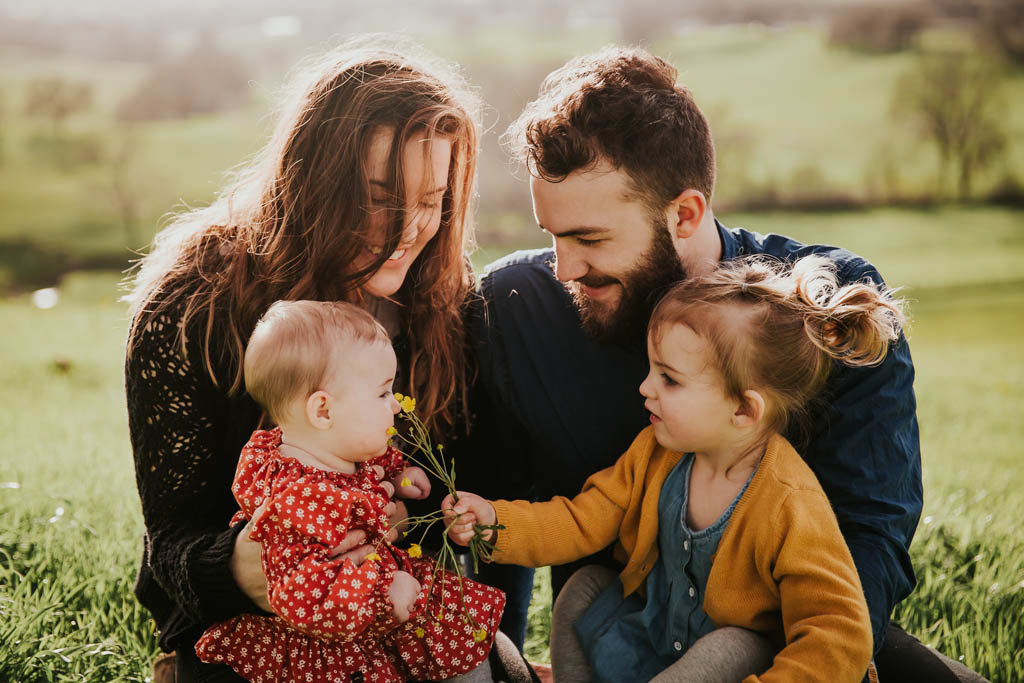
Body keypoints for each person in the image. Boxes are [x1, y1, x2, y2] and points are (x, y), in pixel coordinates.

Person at [460, 47, 985, 681]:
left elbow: (869, 535)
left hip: (788, 645)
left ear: (685, 214)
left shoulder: (818, 306)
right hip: (620, 638)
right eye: (551, 235)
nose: (563, 267)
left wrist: (815, 665)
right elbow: (500, 510)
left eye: (589, 239)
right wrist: (493, 661)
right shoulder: (516, 308)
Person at [124, 39, 534, 683]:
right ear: (312, 182)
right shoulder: (192, 307)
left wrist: (414, 520)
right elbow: (170, 541)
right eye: (377, 196)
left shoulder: (445, 309)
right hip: (252, 632)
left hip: (394, 607)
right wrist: (235, 567)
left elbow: (468, 504)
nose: (407, 230)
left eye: (431, 200)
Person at [447, 255, 903, 681]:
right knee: (584, 589)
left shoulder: (788, 501)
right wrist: (495, 523)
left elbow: (839, 629)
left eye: (669, 378)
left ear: (744, 409)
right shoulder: (658, 454)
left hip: (729, 666)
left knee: (732, 645)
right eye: (651, 369)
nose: (645, 387)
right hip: (653, 633)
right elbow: (582, 519)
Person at [195, 300, 504, 682]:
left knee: (461, 644)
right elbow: (303, 593)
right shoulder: (298, 502)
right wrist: (382, 598)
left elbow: (371, 468)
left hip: (376, 616)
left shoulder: (336, 453)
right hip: (334, 650)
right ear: (323, 411)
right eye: (382, 393)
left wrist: (400, 473)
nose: (394, 404)